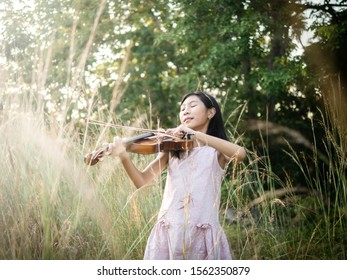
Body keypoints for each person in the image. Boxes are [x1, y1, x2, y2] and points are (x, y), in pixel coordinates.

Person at [108, 91, 246, 260]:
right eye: (182, 109)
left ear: (211, 112)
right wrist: (123, 156)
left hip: (202, 233)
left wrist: (196, 135)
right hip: (170, 232)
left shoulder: (216, 151)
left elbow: (240, 153)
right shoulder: (172, 150)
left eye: (192, 106)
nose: (186, 111)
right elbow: (141, 181)